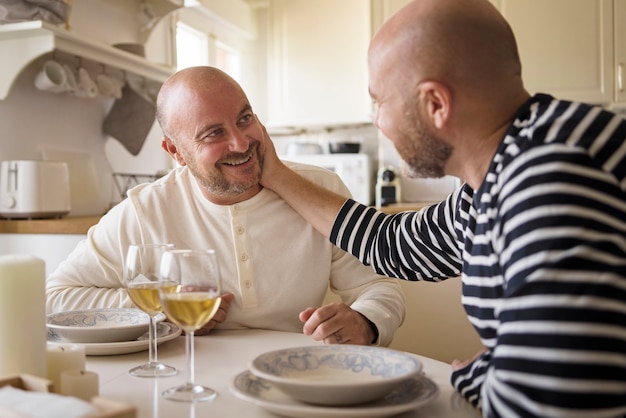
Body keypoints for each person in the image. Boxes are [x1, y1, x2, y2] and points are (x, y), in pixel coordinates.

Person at [258, 0, 626, 416]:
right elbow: (395, 244)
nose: (378, 121)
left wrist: (479, 377)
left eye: (380, 102)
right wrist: (275, 174)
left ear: (435, 103)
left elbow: (556, 403)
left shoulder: (549, 179)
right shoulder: (504, 166)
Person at [46, 66, 405, 347]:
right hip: (185, 385)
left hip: (296, 376)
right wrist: (158, 306)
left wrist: (366, 321)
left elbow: (378, 286)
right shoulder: (145, 210)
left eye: (245, 118)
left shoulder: (322, 189)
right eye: (213, 133)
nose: (240, 141)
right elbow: (55, 298)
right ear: (175, 152)